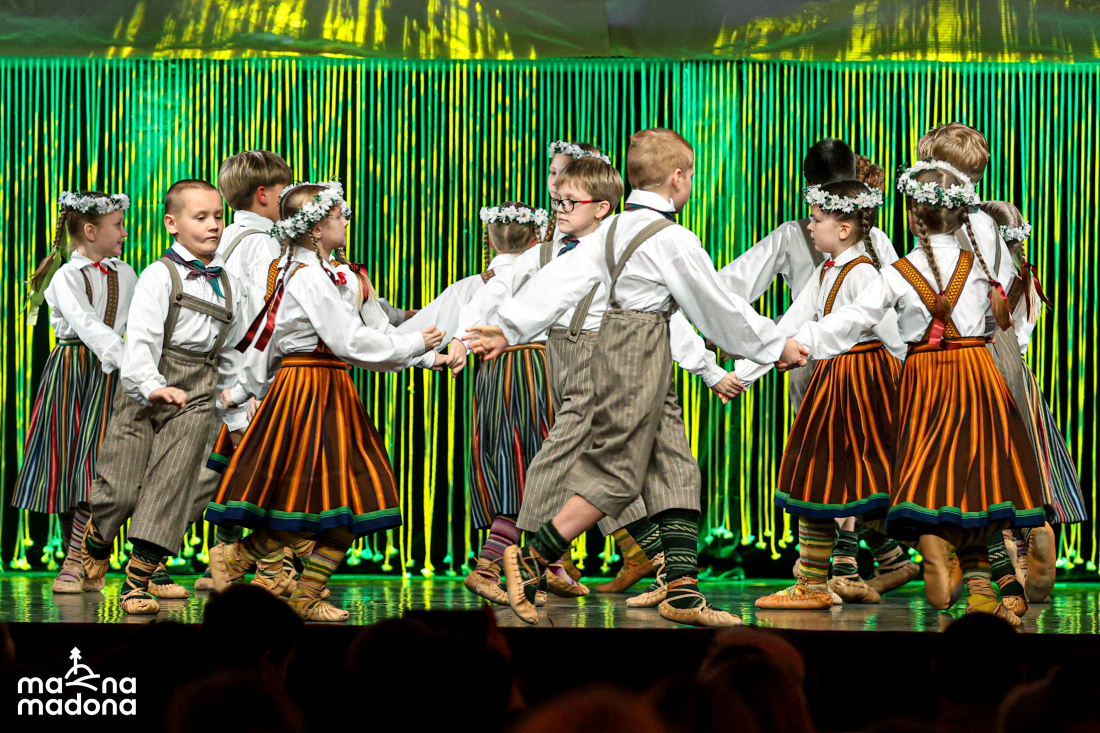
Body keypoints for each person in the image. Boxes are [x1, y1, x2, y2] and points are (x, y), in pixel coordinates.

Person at [466, 127, 803, 626]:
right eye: (691, 175)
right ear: (678, 178)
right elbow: (714, 307)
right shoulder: (671, 239)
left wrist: (510, 326)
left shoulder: (614, 229)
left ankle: (682, 592)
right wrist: (776, 346)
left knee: (675, 466)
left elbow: (563, 279)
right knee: (618, 473)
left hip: (637, 344)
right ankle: (533, 558)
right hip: (634, 345)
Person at [784, 160, 1045, 624]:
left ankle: (949, 560)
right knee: (976, 481)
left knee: (933, 482)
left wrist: (800, 345)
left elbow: (851, 321)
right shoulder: (980, 266)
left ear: (913, 216)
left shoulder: (898, 272)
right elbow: (1001, 320)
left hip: (927, 381)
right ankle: (984, 589)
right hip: (977, 375)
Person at [205, 182, 444, 621]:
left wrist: (427, 356)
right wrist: (416, 345)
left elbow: (363, 333)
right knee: (310, 504)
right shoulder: (307, 276)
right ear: (315, 228)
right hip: (306, 392)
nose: (346, 221)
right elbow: (344, 340)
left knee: (351, 502)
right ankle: (251, 563)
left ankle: (292, 585)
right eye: (338, 215)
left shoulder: (333, 273)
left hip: (333, 390)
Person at [82, 179, 248, 614]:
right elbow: (140, 342)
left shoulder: (232, 283)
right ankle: (97, 538)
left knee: (171, 485)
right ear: (172, 224)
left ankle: (138, 581)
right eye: (201, 217)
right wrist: (153, 385)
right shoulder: (159, 275)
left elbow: (232, 350)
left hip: (198, 392)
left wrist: (232, 403)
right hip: (146, 387)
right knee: (120, 491)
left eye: (218, 216)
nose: (213, 225)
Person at [737, 180, 904, 609]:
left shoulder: (864, 272)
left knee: (859, 479)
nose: (809, 227)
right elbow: (791, 321)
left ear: (844, 228)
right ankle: (813, 582)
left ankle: (959, 559)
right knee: (820, 476)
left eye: (816, 219)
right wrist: (744, 374)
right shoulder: (827, 269)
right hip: (833, 379)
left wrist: (914, 380)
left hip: (862, 381)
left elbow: (892, 336)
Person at [13, 190, 136, 593]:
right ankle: (76, 558)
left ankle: (78, 559)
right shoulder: (66, 276)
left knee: (97, 466)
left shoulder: (126, 273)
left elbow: (138, 321)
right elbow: (87, 324)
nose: (124, 232)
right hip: (72, 372)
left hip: (110, 375)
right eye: (117, 225)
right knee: (68, 467)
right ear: (90, 230)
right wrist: (126, 359)